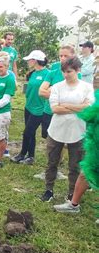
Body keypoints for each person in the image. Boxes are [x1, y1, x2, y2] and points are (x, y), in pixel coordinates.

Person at [39, 57, 95, 202]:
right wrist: (77, 107)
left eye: (69, 71)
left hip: (77, 131)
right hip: (57, 130)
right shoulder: (57, 86)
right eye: (64, 71)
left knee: (75, 165)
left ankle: (72, 193)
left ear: (78, 70)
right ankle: (49, 190)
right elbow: (55, 108)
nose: (66, 74)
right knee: (52, 162)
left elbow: (88, 107)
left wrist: (66, 105)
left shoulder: (86, 87)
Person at [36, 45, 78, 180]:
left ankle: (59, 169)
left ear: (73, 56)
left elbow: (77, 96)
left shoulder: (77, 73)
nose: (62, 58)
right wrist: (60, 95)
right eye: (61, 56)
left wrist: (54, 92)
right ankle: (50, 170)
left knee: (65, 142)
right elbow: (41, 92)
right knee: (51, 143)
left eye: (66, 56)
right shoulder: (53, 71)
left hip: (67, 114)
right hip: (50, 111)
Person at [11, 50, 49, 165]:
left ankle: (23, 154)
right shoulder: (32, 73)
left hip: (39, 109)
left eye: (30, 59)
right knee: (30, 133)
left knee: (27, 132)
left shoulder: (48, 74)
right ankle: (30, 156)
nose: (28, 62)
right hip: (29, 106)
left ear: (36, 60)